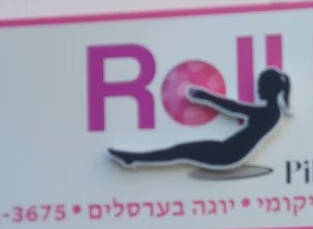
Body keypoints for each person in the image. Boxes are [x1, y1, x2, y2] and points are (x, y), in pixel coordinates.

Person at [108, 68, 291, 171]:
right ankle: (134, 158)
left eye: (260, 86)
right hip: (227, 150)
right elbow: (236, 108)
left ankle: (134, 158)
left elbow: (235, 108)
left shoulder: (269, 112)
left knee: (180, 151)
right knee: (180, 151)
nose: (257, 90)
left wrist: (206, 97)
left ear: (270, 88)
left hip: (228, 154)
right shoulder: (270, 111)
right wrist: (206, 98)